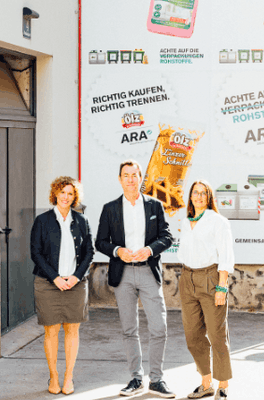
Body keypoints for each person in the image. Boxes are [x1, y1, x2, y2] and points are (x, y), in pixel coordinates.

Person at [96, 160, 175, 398]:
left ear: (141, 178)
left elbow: (167, 237)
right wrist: (117, 250)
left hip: (148, 271)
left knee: (159, 327)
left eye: (134, 175)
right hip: (123, 274)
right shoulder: (110, 208)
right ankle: (136, 378)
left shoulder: (154, 206)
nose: (130, 179)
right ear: (120, 179)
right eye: (126, 175)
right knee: (129, 329)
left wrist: (150, 250)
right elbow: (100, 242)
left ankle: (157, 379)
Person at [30, 176, 94, 395]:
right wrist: (55, 277)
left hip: (75, 284)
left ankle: (68, 377)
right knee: (52, 330)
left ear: (74, 197)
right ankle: (54, 377)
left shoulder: (82, 221)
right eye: (62, 192)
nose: (66, 197)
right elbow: (35, 253)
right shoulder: (42, 221)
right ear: (55, 194)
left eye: (70, 193)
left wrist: (76, 276)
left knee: (72, 329)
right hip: (48, 283)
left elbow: (89, 252)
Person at [178, 181, 235, 400]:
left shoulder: (218, 222)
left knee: (216, 334)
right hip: (187, 278)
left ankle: (222, 384)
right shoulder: (186, 221)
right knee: (193, 334)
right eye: (195, 193)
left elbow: (225, 255)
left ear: (209, 197)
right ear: (190, 196)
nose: (199, 196)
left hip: (211, 279)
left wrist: (221, 286)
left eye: (203, 193)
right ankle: (206, 382)